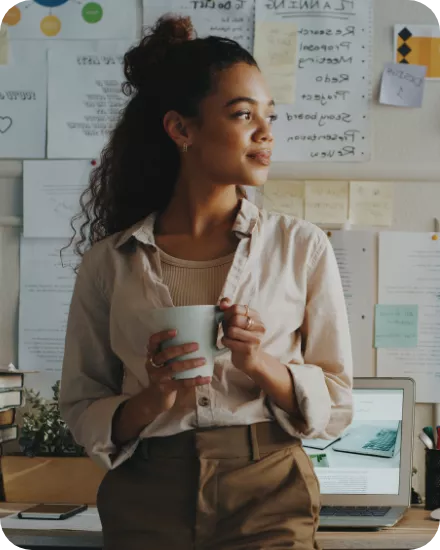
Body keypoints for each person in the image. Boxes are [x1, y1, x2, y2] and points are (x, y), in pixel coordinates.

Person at [60, 14, 353, 550]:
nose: (265, 132)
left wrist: (257, 362)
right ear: (181, 129)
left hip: (268, 486)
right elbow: (81, 406)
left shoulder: (302, 246)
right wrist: (155, 396)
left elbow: (335, 400)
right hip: (146, 493)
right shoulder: (109, 262)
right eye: (243, 115)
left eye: (270, 116)